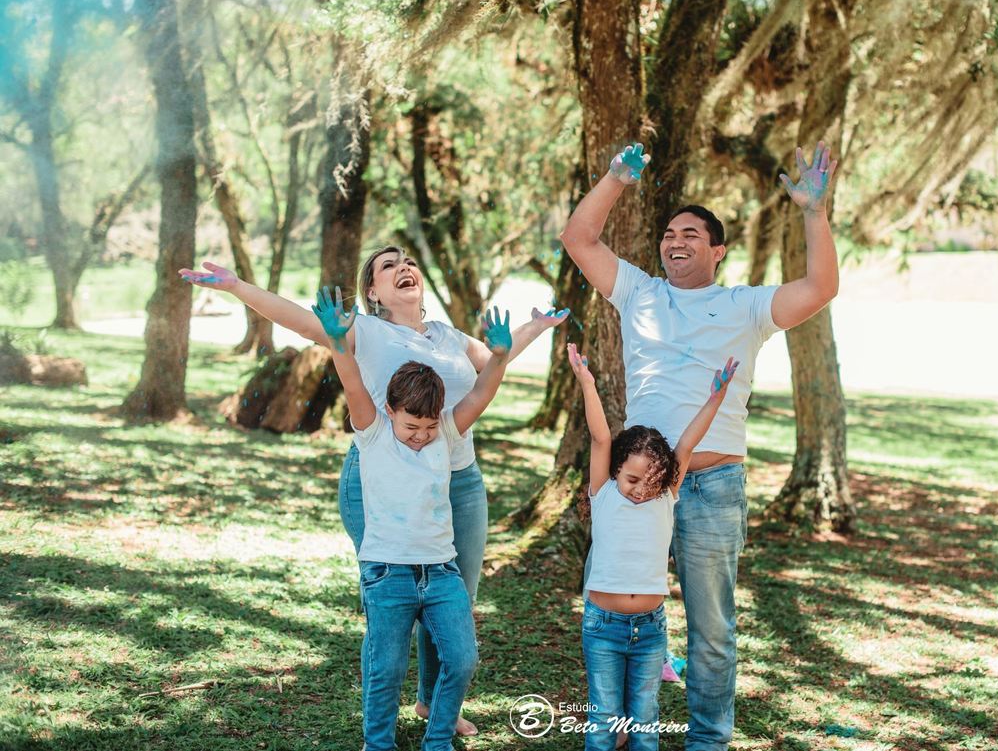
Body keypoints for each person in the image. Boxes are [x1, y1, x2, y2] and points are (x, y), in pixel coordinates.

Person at [179, 248, 568, 735]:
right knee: (396, 594)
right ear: (372, 292)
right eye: (387, 266)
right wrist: (237, 287)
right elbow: (300, 321)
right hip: (379, 480)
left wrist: (537, 325)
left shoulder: (448, 335)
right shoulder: (365, 330)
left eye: (407, 260)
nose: (403, 266)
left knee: (452, 595)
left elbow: (495, 358)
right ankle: (380, 720)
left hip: (459, 478)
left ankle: (434, 703)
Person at [560, 142, 840, 750]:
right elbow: (579, 238)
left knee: (711, 628)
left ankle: (708, 741)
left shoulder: (746, 305)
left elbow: (820, 288)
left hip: (712, 486)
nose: (674, 240)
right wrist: (613, 179)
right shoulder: (638, 292)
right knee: (620, 614)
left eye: (690, 233)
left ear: (717, 251)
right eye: (667, 232)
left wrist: (813, 213)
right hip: (639, 489)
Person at [312, 285, 512, 751]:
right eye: (411, 426)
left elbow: (482, 390)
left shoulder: (445, 429)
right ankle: (377, 743)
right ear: (390, 412)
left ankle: (437, 739)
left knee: (461, 659)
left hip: (442, 572)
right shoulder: (373, 432)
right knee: (386, 668)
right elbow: (352, 382)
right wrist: (339, 342)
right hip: (389, 572)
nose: (421, 436)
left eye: (427, 426)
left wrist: (499, 355)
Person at [568, 341, 738, 751]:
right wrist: (587, 383)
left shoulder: (665, 498)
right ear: (615, 471)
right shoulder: (604, 492)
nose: (640, 490)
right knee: (604, 718)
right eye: (631, 479)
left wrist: (716, 397)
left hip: (650, 628)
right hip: (603, 625)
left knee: (645, 719)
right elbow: (599, 435)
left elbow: (687, 444)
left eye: (651, 481)